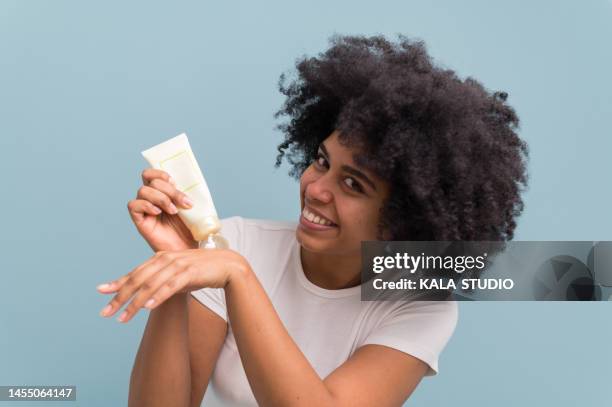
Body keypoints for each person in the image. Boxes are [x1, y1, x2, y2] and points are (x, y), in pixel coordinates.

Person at [97, 35, 528, 406]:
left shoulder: (416, 307)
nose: (317, 189)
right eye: (322, 161)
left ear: (404, 219)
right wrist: (177, 273)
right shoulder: (235, 243)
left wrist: (240, 278)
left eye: (353, 185)